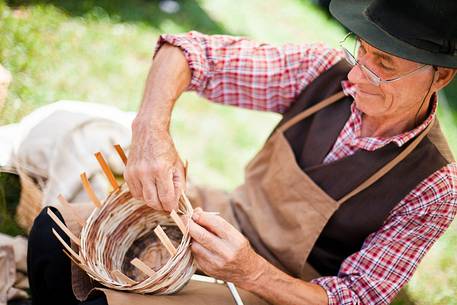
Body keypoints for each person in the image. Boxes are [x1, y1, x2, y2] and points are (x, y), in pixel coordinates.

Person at [28, 0, 457, 304]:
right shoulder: (323, 72)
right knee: (53, 237)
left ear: (441, 77)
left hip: (278, 289)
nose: (360, 74)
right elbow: (188, 52)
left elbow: (359, 297)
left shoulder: (436, 184)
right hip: (220, 221)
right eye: (361, 49)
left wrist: (252, 271)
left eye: (385, 65)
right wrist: (150, 131)